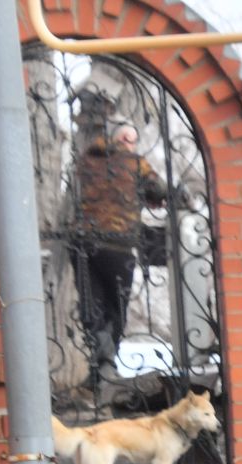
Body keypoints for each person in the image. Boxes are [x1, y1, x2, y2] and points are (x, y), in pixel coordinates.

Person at [72, 122, 166, 372]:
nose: (132, 145)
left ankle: (100, 364)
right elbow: (158, 189)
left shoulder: (87, 160)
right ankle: (106, 365)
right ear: (122, 139)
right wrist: (172, 196)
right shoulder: (134, 162)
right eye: (130, 140)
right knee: (117, 308)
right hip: (117, 245)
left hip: (83, 244)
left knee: (93, 306)